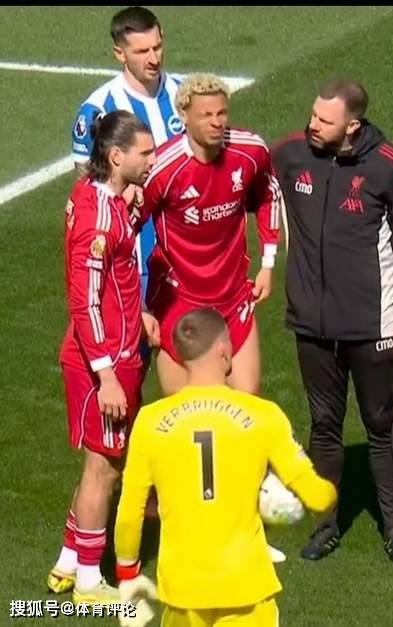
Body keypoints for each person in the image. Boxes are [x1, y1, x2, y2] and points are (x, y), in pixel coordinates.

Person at [271, 78, 393, 564]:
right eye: (313, 115)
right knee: (324, 425)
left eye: (325, 120)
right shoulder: (292, 154)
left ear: (352, 126)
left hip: (372, 324)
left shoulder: (386, 164)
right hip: (312, 323)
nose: (313, 125)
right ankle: (325, 525)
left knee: (381, 425)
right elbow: (239, 169)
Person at [113, 308, 337, 626]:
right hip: (245, 586)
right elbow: (317, 496)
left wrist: (126, 571)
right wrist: (318, 496)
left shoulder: (150, 422)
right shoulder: (264, 416)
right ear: (222, 351)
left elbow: (129, 510)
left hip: (183, 590)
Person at [48, 111, 160, 604]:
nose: (152, 160)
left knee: (101, 463)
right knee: (105, 470)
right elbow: (86, 301)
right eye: (145, 153)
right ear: (117, 157)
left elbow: (117, 263)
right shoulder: (98, 218)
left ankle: (68, 562)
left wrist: (140, 313)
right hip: (105, 361)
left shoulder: (98, 197)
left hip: (114, 352)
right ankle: (90, 581)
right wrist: (107, 375)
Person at [138, 73, 282, 397]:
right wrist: (141, 305)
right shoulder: (162, 169)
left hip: (233, 296)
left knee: (247, 400)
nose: (216, 122)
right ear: (184, 116)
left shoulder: (250, 151)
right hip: (179, 300)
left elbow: (269, 195)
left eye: (221, 113)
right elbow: (126, 228)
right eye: (206, 115)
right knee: (184, 407)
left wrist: (268, 263)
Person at [71, 6, 183, 299]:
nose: (153, 58)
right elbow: (88, 193)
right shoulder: (98, 111)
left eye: (157, 47)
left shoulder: (185, 96)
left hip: (189, 258)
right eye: (142, 51)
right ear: (119, 54)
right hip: (133, 263)